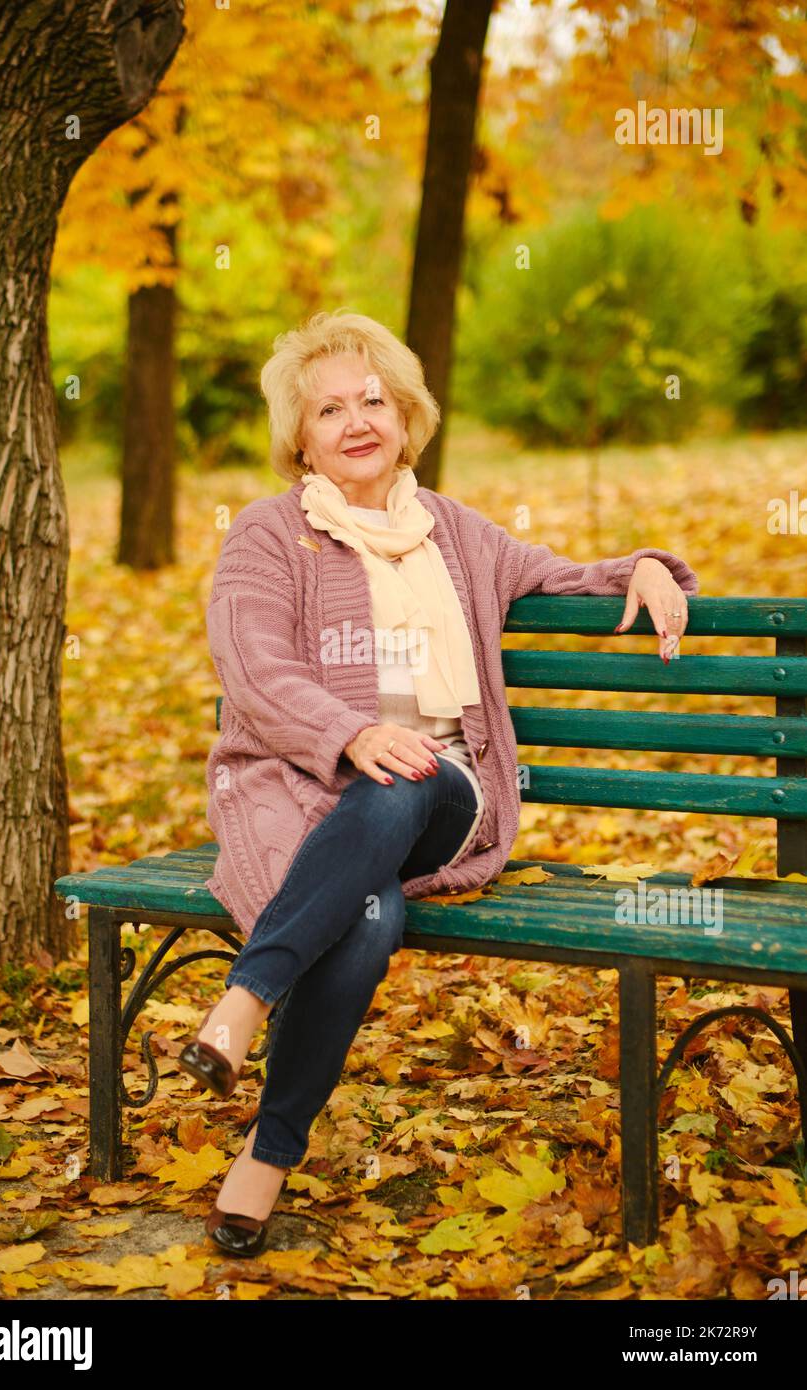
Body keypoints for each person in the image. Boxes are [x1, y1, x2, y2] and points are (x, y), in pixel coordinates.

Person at [180, 309, 699, 1255]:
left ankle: (246, 998)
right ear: (300, 438)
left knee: (414, 774)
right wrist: (348, 732)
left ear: (407, 413)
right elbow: (251, 667)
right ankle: (266, 1155)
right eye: (329, 409)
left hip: (445, 799)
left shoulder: (454, 533)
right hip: (305, 795)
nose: (356, 421)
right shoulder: (267, 536)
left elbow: (566, 579)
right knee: (370, 918)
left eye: (373, 399)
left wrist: (651, 567)